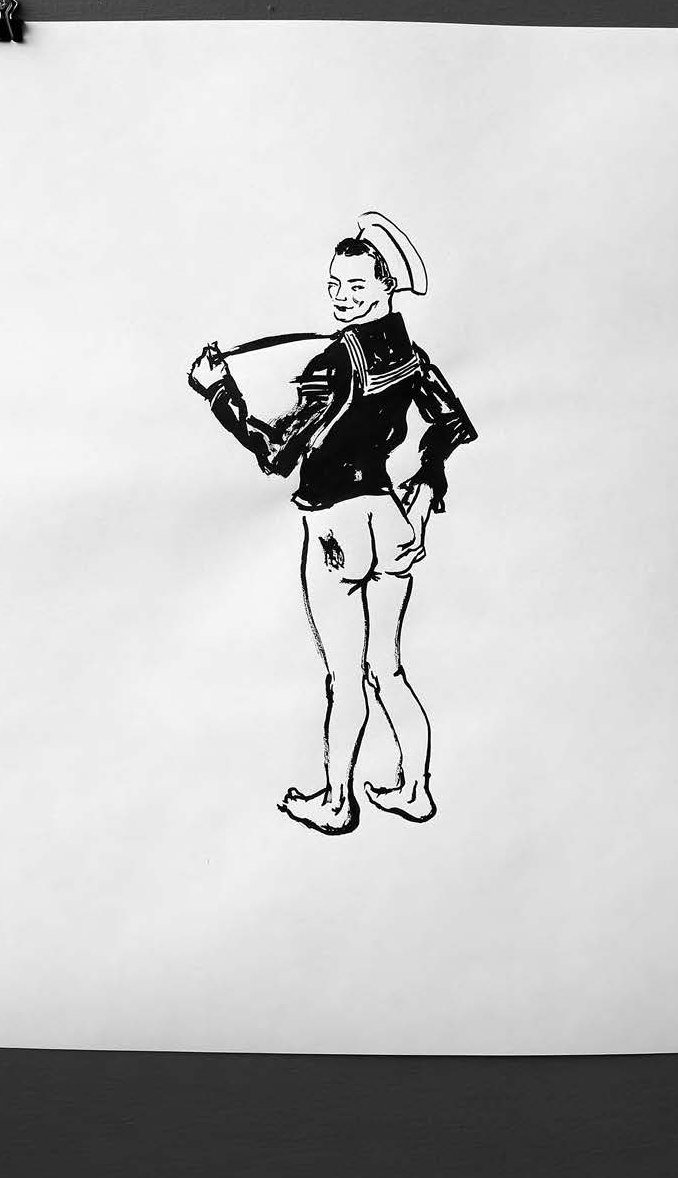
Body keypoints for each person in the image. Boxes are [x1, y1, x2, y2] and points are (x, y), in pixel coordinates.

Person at [188, 213, 476, 835]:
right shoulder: (408, 353)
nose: (341, 296)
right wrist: (428, 477)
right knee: (388, 670)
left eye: (356, 286)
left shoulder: (333, 362)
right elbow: (453, 423)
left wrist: (219, 394)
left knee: (345, 677)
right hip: (390, 521)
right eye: (334, 284)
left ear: (387, 287)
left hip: (337, 530)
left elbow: (276, 453)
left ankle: (337, 801)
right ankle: (415, 789)